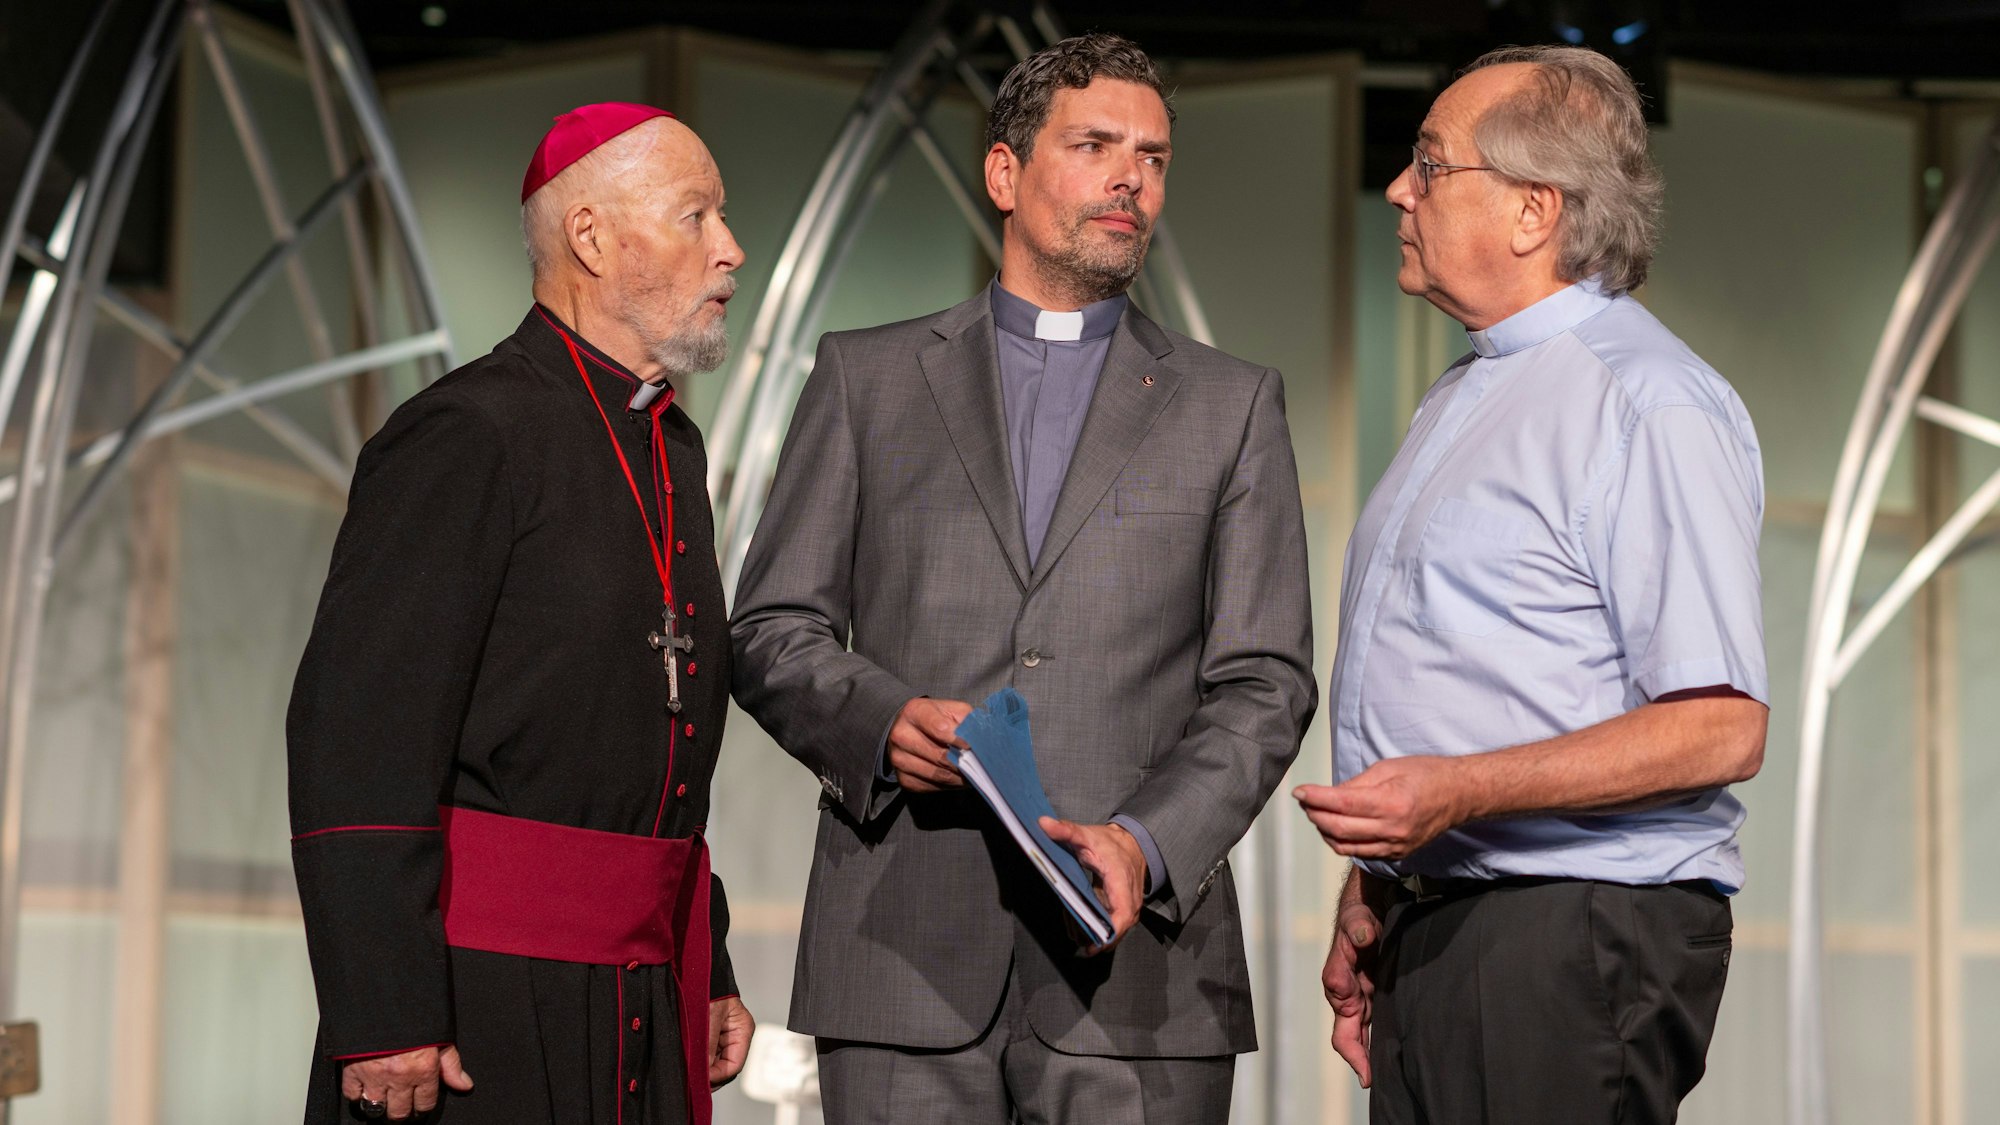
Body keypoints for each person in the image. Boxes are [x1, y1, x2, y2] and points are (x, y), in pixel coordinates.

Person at [729, 32, 1316, 1125]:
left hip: (1137, 970)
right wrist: (881, 719)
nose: (1128, 176)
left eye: (1150, 155)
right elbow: (769, 627)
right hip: (898, 954)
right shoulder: (866, 379)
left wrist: (1146, 841)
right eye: (1093, 143)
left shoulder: (1231, 405)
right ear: (1004, 173)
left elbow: (1265, 680)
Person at [1294, 45, 1768, 1123]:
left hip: (1568, 937)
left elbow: (1717, 730)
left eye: (1428, 164)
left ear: (1530, 213)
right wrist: (1379, 889)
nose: (1396, 191)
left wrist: (1456, 795)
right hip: (1445, 925)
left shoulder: (1647, 404)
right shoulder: (1466, 391)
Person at [288, 103, 753, 1124]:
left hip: (636, 985)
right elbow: (356, 738)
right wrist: (382, 1010)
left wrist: (702, 952)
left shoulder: (671, 451)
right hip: (473, 998)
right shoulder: (465, 433)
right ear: (590, 236)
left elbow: (663, 749)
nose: (731, 249)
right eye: (696, 216)